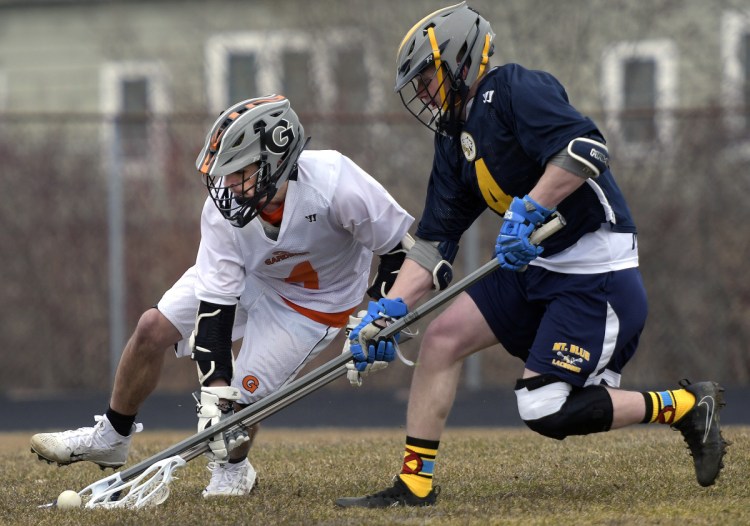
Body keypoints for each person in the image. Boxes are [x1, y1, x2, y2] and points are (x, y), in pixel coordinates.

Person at [335, 2, 728, 508]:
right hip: (536, 264)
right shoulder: (452, 137)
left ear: (458, 59)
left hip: (594, 268)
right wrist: (389, 310)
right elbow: (435, 240)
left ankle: (687, 405)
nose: (424, 92)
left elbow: (588, 149)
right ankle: (414, 486)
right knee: (441, 340)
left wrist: (530, 209)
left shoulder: (517, 87)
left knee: (543, 408)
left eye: (428, 77)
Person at [30, 94, 414, 498]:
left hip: (312, 305)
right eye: (224, 172)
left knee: (244, 397)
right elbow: (214, 313)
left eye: (239, 171)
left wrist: (377, 315)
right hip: (252, 275)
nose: (227, 184)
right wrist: (214, 391)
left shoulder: (337, 183)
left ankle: (234, 469)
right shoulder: (223, 210)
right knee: (151, 328)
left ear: (276, 161)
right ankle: (111, 436)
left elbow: (401, 252)